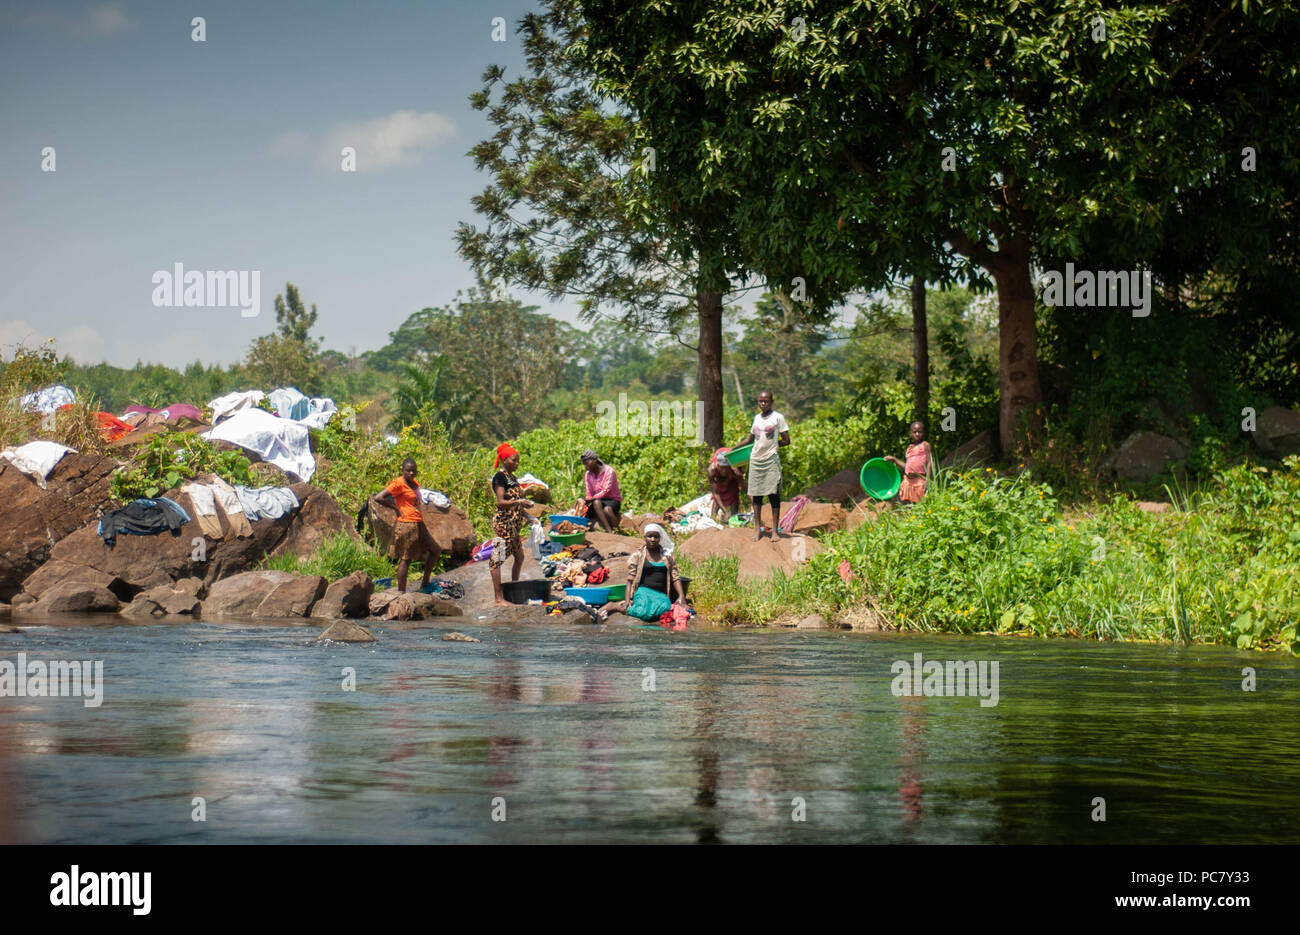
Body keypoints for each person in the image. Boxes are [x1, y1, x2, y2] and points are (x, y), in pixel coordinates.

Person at [374, 458, 440, 592]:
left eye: (413, 470)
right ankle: (401, 592)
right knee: (406, 559)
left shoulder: (414, 482)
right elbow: (379, 497)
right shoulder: (398, 483)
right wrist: (396, 508)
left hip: (418, 522)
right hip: (406, 524)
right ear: (403, 471)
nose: (411, 473)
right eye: (408, 470)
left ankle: (425, 583)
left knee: (435, 550)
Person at [599, 524, 687, 622]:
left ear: (660, 538)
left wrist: (681, 596)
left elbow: (675, 577)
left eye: (656, 537)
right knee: (643, 612)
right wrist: (627, 599)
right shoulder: (638, 556)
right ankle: (615, 606)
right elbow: (630, 580)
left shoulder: (667, 556)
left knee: (665, 609)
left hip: (660, 593)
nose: (653, 539)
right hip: (643, 590)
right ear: (645, 537)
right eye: (649, 536)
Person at [736, 390, 790, 540]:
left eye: (766, 401)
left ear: (771, 402)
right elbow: (750, 440)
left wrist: (774, 445)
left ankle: (774, 531)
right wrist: (732, 449)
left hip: (771, 460)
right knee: (757, 495)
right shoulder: (756, 419)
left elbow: (786, 440)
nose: (763, 404)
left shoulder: (778, 418)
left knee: (773, 495)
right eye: (760, 401)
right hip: (756, 460)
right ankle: (757, 529)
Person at [489, 442, 535, 606]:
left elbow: (516, 502)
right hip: (504, 523)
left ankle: (514, 590)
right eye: (514, 460)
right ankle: (498, 598)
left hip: (514, 524)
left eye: (518, 460)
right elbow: (501, 502)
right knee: (497, 559)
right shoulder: (500, 477)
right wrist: (520, 501)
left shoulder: (512, 478)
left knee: (520, 557)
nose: (517, 463)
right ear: (505, 460)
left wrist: (530, 517)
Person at [885, 421, 933, 503]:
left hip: (919, 480)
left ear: (924, 433)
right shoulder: (910, 448)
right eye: (914, 432)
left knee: (921, 503)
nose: (917, 434)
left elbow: (930, 462)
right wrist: (895, 460)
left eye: (919, 432)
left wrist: (928, 479)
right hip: (908, 481)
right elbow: (907, 467)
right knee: (907, 504)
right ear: (910, 434)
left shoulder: (925, 445)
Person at [578, 450, 623, 532]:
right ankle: (608, 529)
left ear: (595, 460)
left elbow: (606, 490)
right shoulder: (588, 474)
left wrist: (592, 498)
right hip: (598, 500)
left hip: (613, 500)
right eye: (584, 464)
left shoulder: (609, 471)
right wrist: (587, 500)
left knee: (607, 510)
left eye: (587, 463)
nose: (586, 466)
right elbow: (589, 492)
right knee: (592, 504)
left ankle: (616, 531)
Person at [707, 447, 741, 521]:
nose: (724, 471)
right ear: (718, 466)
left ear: (730, 466)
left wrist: (755, 505)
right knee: (718, 496)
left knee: (734, 495)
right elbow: (716, 493)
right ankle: (713, 519)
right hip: (719, 477)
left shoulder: (735, 470)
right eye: (722, 468)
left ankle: (733, 516)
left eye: (726, 468)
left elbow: (746, 488)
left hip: (732, 476)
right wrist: (725, 512)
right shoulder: (711, 471)